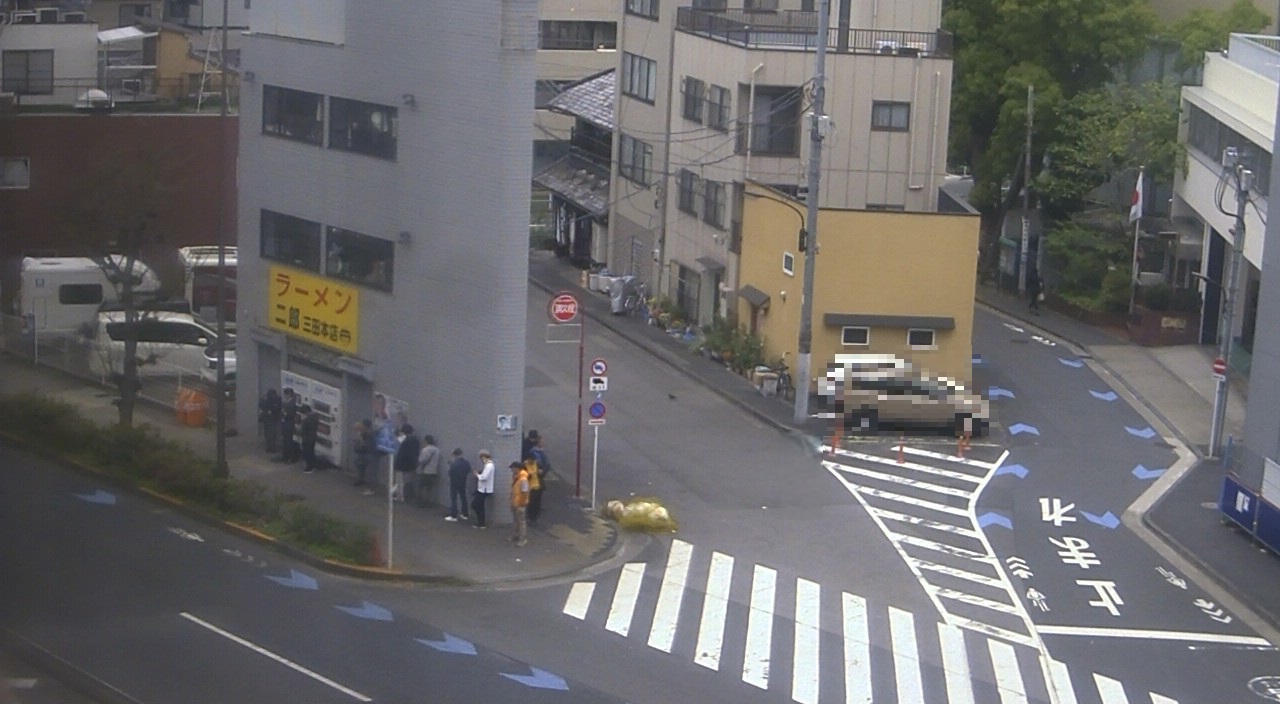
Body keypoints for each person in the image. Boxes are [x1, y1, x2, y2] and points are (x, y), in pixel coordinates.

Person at [392, 425, 421, 501]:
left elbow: (395, 444)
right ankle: (403, 496)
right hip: (411, 464)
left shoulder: (403, 439)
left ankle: (395, 494)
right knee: (406, 481)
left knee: (399, 481)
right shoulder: (416, 440)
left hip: (400, 463)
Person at [527, 434, 550, 526]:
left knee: (536, 500)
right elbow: (543, 463)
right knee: (534, 501)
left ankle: (533, 516)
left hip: (537, 482)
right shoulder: (536, 452)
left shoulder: (538, 451)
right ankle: (532, 517)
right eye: (542, 441)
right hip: (534, 483)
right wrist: (542, 471)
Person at [445, 448, 471, 522]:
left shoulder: (454, 463)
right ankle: (465, 514)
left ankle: (453, 515)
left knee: (453, 498)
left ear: (455, 455)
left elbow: (450, 473)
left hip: (454, 482)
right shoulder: (466, 462)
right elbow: (468, 470)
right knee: (463, 497)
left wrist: (451, 465)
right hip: (463, 482)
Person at [415, 434, 442, 507]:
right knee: (429, 488)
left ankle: (419, 502)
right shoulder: (437, 450)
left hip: (425, 471)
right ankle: (427, 502)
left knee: (420, 487)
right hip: (433, 471)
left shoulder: (426, 449)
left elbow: (421, 460)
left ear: (426, 441)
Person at [472, 449, 495, 529]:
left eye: (481, 458)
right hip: (483, 489)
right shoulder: (488, 465)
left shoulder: (489, 466)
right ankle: (481, 523)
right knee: (480, 505)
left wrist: (477, 475)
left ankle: (481, 522)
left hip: (484, 489)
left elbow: (484, 477)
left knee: (475, 505)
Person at [509, 461, 530, 547]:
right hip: (515, 502)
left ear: (517, 468)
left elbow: (525, 492)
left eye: (513, 468)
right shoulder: (516, 477)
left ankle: (523, 539)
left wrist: (521, 503)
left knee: (521, 521)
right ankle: (516, 535)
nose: (511, 470)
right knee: (516, 520)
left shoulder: (523, 479)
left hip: (519, 503)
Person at [352, 419, 375, 495]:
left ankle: (371, 488)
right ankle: (360, 479)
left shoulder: (371, 434)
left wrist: (360, 440)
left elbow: (367, 446)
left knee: (369, 471)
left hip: (368, 454)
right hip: (361, 453)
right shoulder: (363, 432)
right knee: (359, 465)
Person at [258, 389, 282, 454]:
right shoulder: (266, 399)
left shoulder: (277, 399)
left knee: (271, 434)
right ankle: (270, 447)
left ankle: (271, 447)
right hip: (268, 419)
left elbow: (277, 408)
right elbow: (262, 407)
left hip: (272, 418)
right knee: (268, 434)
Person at [280, 388, 300, 463]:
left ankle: (290, 457)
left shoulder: (292, 404)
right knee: (285, 440)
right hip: (285, 423)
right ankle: (285, 455)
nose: (284, 396)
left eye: (285, 394)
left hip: (289, 424)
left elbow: (290, 415)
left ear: (289, 394)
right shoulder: (285, 402)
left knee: (289, 441)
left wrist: (284, 413)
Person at [299, 405, 321, 474]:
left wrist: (303, 420)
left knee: (307, 453)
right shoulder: (315, 417)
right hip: (312, 437)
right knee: (311, 452)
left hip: (307, 438)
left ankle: (309, 468)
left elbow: (304, 428)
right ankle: (313, 466)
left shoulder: (307, 419)